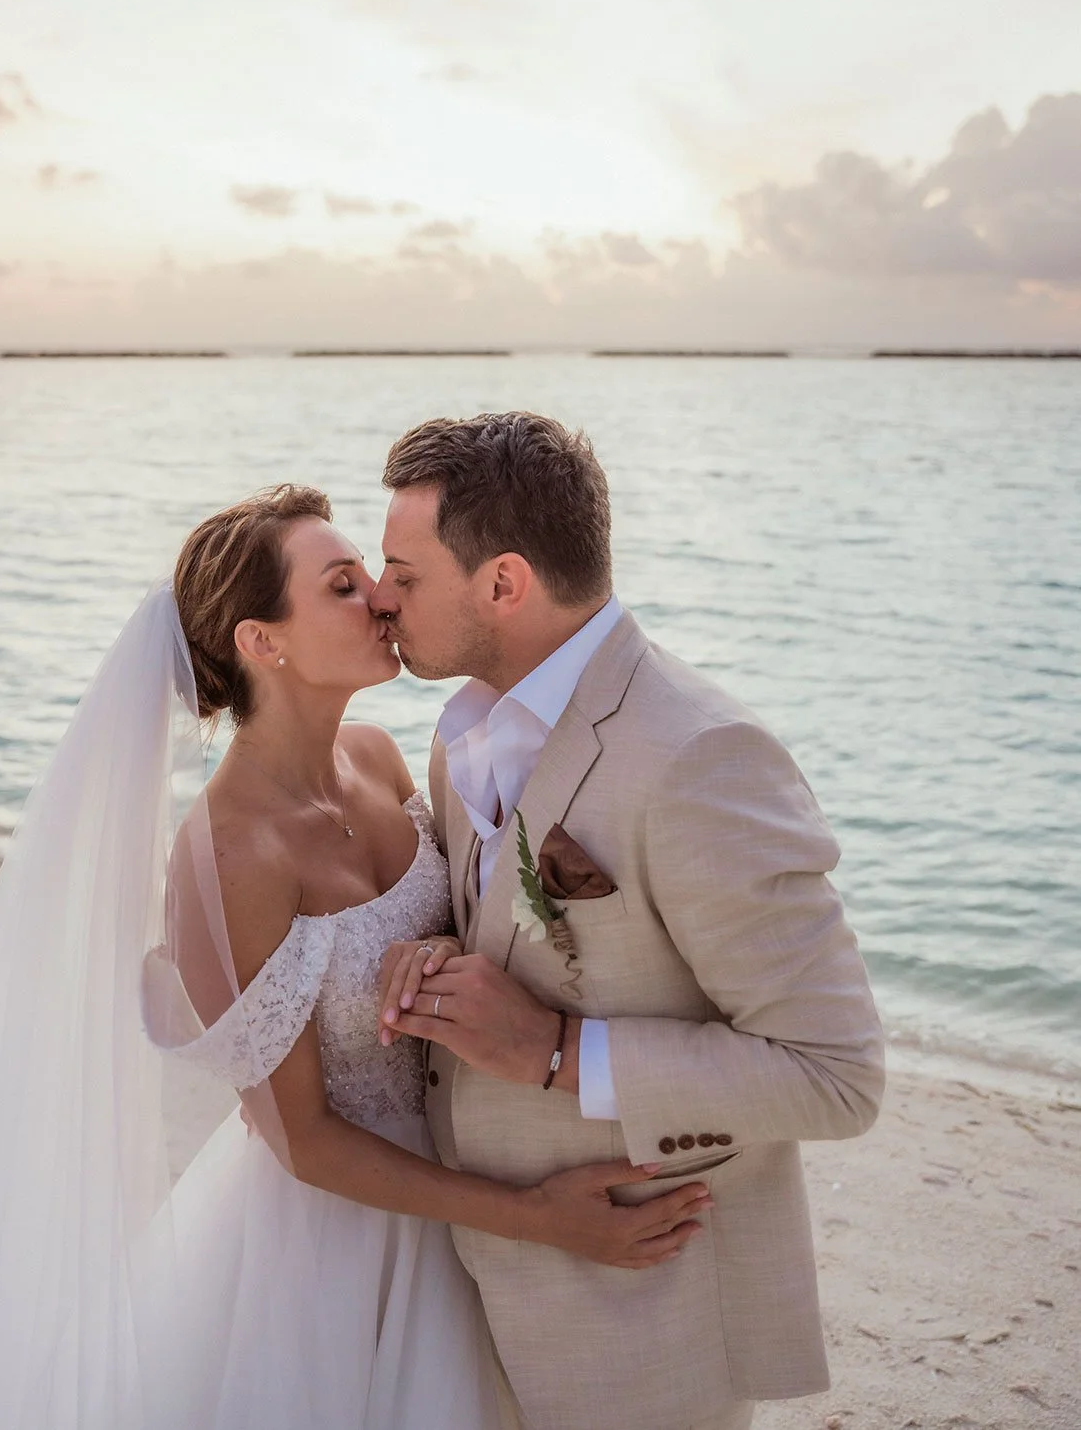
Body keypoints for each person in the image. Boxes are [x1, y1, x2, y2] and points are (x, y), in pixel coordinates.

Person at [0, 484, 707, 1430]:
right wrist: (535, 1215)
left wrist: (432, 955)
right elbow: (297, 1137)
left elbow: (459, 922)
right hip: (337, 1243)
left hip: (470, 1164)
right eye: (345, 586)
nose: (384, 600)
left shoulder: (380, 755)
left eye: (374, 577)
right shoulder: (228, 856)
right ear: (262, 642)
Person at [371, 413, 886, 1430]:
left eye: (402, 569)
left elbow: (837, 1074)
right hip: (463, 1287)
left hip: (643, 1317)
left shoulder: (700, 757)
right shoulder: (462, 723)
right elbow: (496, 934)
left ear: (503, 583)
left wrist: (560, 1052)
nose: (380, 594)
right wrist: (435, 951)